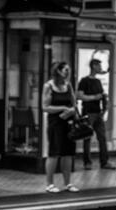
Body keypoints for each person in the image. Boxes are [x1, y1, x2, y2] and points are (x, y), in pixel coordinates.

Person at [42, 62, 79, 193]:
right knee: (54, 153)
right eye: (65, 70)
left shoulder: (68, 86)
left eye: (68, 70)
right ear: (57, 71)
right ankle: (49, 183)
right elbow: (45, 107)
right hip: (55, 123)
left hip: (68, 123)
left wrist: (72, 111)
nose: (67, 72)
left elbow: (74, 104)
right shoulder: (49, 86)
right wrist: (62, 108)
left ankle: (67, 183)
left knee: (67, 153)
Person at [77, 59, 116, 170]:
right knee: (87, 139)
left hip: (98, 113)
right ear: (93, 66)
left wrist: (105, 103)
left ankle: (104, 162)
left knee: (102, 138)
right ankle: (87, 163)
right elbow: (79, 96)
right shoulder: (84, 81)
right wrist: (94, 97)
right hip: (88, 113)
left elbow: (101, 96)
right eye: (99, 66)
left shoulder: (98, 82)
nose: (100, 68)